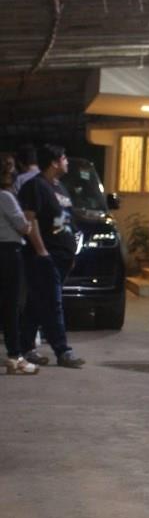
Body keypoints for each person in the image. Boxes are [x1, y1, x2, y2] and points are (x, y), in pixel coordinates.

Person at [18, 144, 85, 368]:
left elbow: (65, 220)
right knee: (52, 303)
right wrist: (41, 251)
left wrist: (71, 252)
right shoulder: (35, 186)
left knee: (37, 302)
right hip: (45, 256)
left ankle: (25, 347)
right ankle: (63, 350)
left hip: (62, 255)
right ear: (54, 162)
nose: (67, 162)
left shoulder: (59, 187)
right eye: (64, 158)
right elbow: (30, 219)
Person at [0, 152, 38, 375]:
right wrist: (29, 224)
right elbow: (24, 226)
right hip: (9, 252)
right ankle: (15, 356)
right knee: (11, 306)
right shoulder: (6, 197)